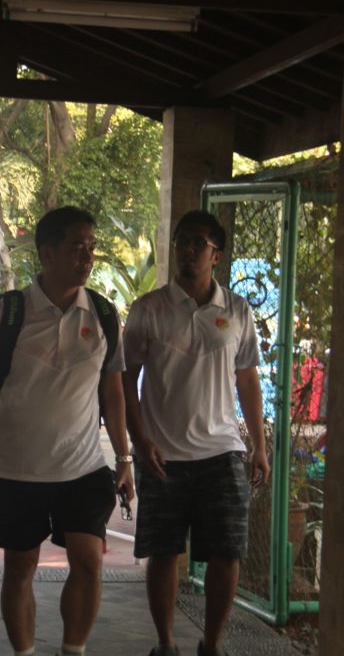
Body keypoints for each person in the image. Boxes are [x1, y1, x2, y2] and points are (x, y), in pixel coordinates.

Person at [0, 206, 135, 656]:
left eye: (91, 247)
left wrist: (124, 458)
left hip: (83, 466)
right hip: (16, 469)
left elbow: (113, 393)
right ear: (46, 253)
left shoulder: (101, 313)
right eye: (77, 247)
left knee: (88, 561)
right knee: (21, 568)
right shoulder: (9, 313)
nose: (88, 256)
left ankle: (72, 650)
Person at [123, 210, 270, 656]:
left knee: (228, 551)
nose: (188, 249)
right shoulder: (148, 309)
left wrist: (259, 446)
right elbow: (125, 381)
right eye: (182, 240)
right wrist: (139, 441)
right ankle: (166, 643)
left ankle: (212, 644)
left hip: (222, 451)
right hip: (162, 453)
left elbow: (247, 380)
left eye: (198, 243)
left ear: (216, 255)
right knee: (164, 551)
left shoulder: (238, 310)